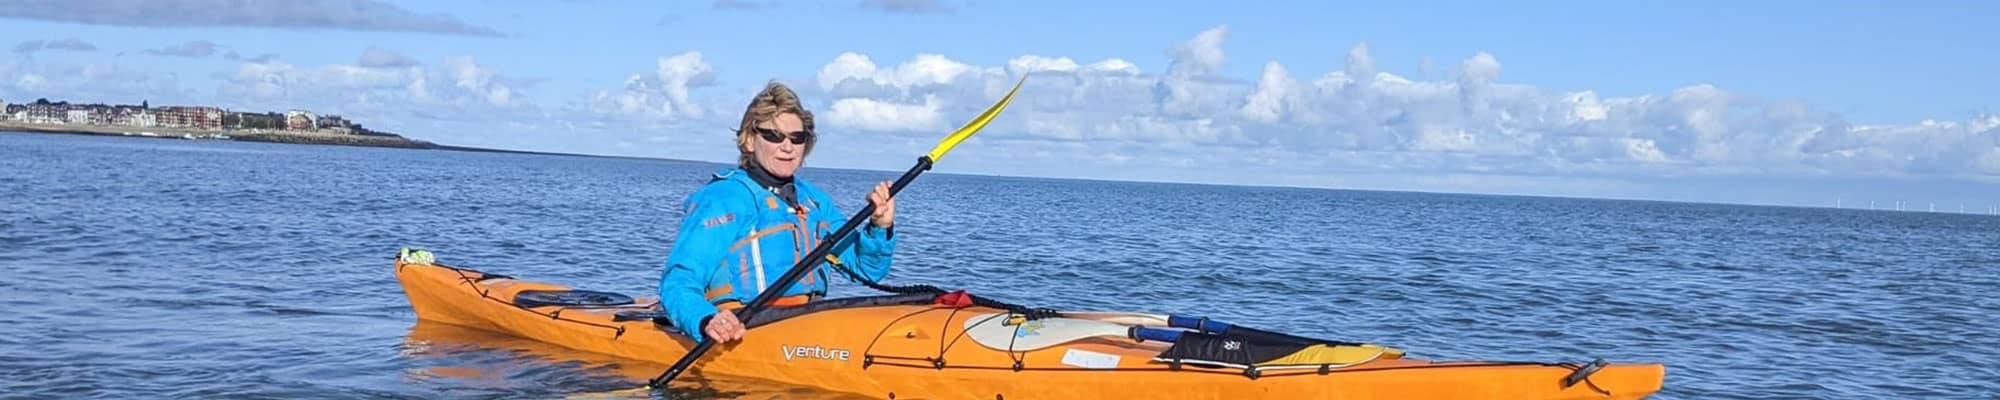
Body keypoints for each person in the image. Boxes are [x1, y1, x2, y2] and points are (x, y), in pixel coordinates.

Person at [658, 81, 897, 344]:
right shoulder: (724, 198)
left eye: (797, 138)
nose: (787, 146)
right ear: (749, 140)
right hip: (744, 327)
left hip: (805, 322)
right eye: (774, 136)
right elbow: (679, 280)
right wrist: (705, 319)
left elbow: (867, 271)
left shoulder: (815, 201)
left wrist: (879, 227)